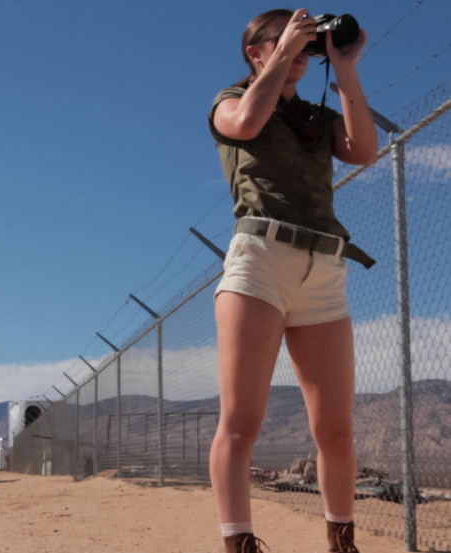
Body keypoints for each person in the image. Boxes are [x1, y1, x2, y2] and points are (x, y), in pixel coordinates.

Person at [207, 8, 377, 553]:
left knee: (336, 428)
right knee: (242, 422)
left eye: (307, 41)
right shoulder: (231, 99)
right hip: (260, 259)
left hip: (324, 269)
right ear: (254, 51)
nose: (300, 47)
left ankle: (342, 541)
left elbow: (364, 151)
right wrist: (281, 59)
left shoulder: (316, 115)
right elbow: (245, 125)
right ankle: (240, 544)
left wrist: (344, 67)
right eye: (284, 39)